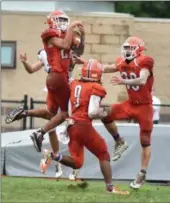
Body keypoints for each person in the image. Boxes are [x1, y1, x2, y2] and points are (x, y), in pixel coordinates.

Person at [5, 9, 84, 180]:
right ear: (51, 22)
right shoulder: (51, 38)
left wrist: (78, 37)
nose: (63, 23)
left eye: (65, 20)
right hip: (60, 80)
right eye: (59, 20)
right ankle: (43, 139)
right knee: (67, 119)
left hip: (59, 80)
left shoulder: (65, 37)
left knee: (51, 115)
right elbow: (35, 68)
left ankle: (24, 113)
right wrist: (25, 63)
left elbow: (77, 48)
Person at [75, 36, 154, 189]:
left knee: (145, 141)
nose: (127, 51)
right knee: (105, 114)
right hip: (130, 104)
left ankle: (142, 173)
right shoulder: (121, 62)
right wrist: (85, 63)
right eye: (126, 48)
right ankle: (119, 141)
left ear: (139, 50)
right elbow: (104, 68)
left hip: (145, 107)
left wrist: (124, 81)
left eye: (130, 48)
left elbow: (142, 80)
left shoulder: (145, 61)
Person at [40, 59, 130, 195]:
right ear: (97, 74)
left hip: (71, 125)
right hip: (83, 125)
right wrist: (105, 112)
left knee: (77, 163)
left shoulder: (74, 83)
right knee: (103, 154)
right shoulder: (96, 88)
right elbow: (92, 112)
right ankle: (110, 188)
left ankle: (51, 155)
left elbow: (70, 107)